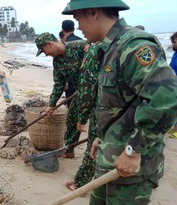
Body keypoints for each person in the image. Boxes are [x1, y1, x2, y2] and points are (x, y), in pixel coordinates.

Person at [62, 0, 177, 204]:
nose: (78, 26)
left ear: (93, 12)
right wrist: (103, 136)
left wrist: (134, 151)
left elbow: (166, 99)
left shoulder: (133, 45)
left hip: (129, 172)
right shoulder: (109, 48)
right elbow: (119, 105)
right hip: (109, 160)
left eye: (78, 18)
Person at [35, 32, 88, 159]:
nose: (46, 54)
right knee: (71, 120)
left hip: (96, 91)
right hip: (79, 93)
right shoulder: (57, 62)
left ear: (49, 44)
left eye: (44, 51)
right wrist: (51, 104)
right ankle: (69, 150)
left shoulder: (80, 46)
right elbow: (59, 84)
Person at [65, 43, 101, 191]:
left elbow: (88, 88)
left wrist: (82, 119)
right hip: (128, 111)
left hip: (103, 109)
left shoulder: (94, 51)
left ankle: (80, 184)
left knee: (93, 146)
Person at [61, 20, 81, 108]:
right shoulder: (82, 42)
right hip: (84, 80)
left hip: (70, 82)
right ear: (73, 28)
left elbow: (65, 66)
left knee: (71, 106)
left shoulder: (65, 45)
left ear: (62, 30)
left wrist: (65, 81)